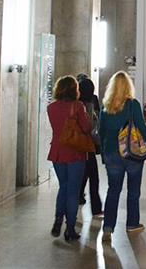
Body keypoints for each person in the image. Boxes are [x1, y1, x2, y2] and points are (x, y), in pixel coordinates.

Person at [99, 71, 146, 243]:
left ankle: (108, 227)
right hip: (131, 152)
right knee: (133, 191)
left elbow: (102, 132)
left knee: (113, 190)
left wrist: (103, 155)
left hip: (112, 153)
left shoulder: (105, 107)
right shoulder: (132, 104)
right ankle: (132, 224)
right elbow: (142, 128)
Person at [47, 75, 92, 242]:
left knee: (63, 187)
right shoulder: (78, 106)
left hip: (57, 152)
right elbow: (87, 127)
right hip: (75, 152)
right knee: (73, 191)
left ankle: (58, 219)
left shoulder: (51, 107)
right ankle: (70, 228)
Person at [77, 75, 103, 218]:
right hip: (87, 146)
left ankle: (78, 198)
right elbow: (91, 128)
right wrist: (99, 143)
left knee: (83, 174)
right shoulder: (87, 105)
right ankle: (96, 208)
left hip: (75, 146)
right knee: (93, 176)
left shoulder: (74, 103)